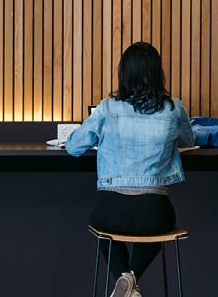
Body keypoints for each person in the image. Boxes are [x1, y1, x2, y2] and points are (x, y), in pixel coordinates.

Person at [65, 42, 195, 297]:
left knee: (102, 227)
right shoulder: (174, 108)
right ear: (158, 73)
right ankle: (131, 279)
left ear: (123, 73)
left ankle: (124, 281)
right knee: (160, 228)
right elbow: (188, 141)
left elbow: (74, 147)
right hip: (155, 214)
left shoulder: (107, 108)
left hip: (109, 211)